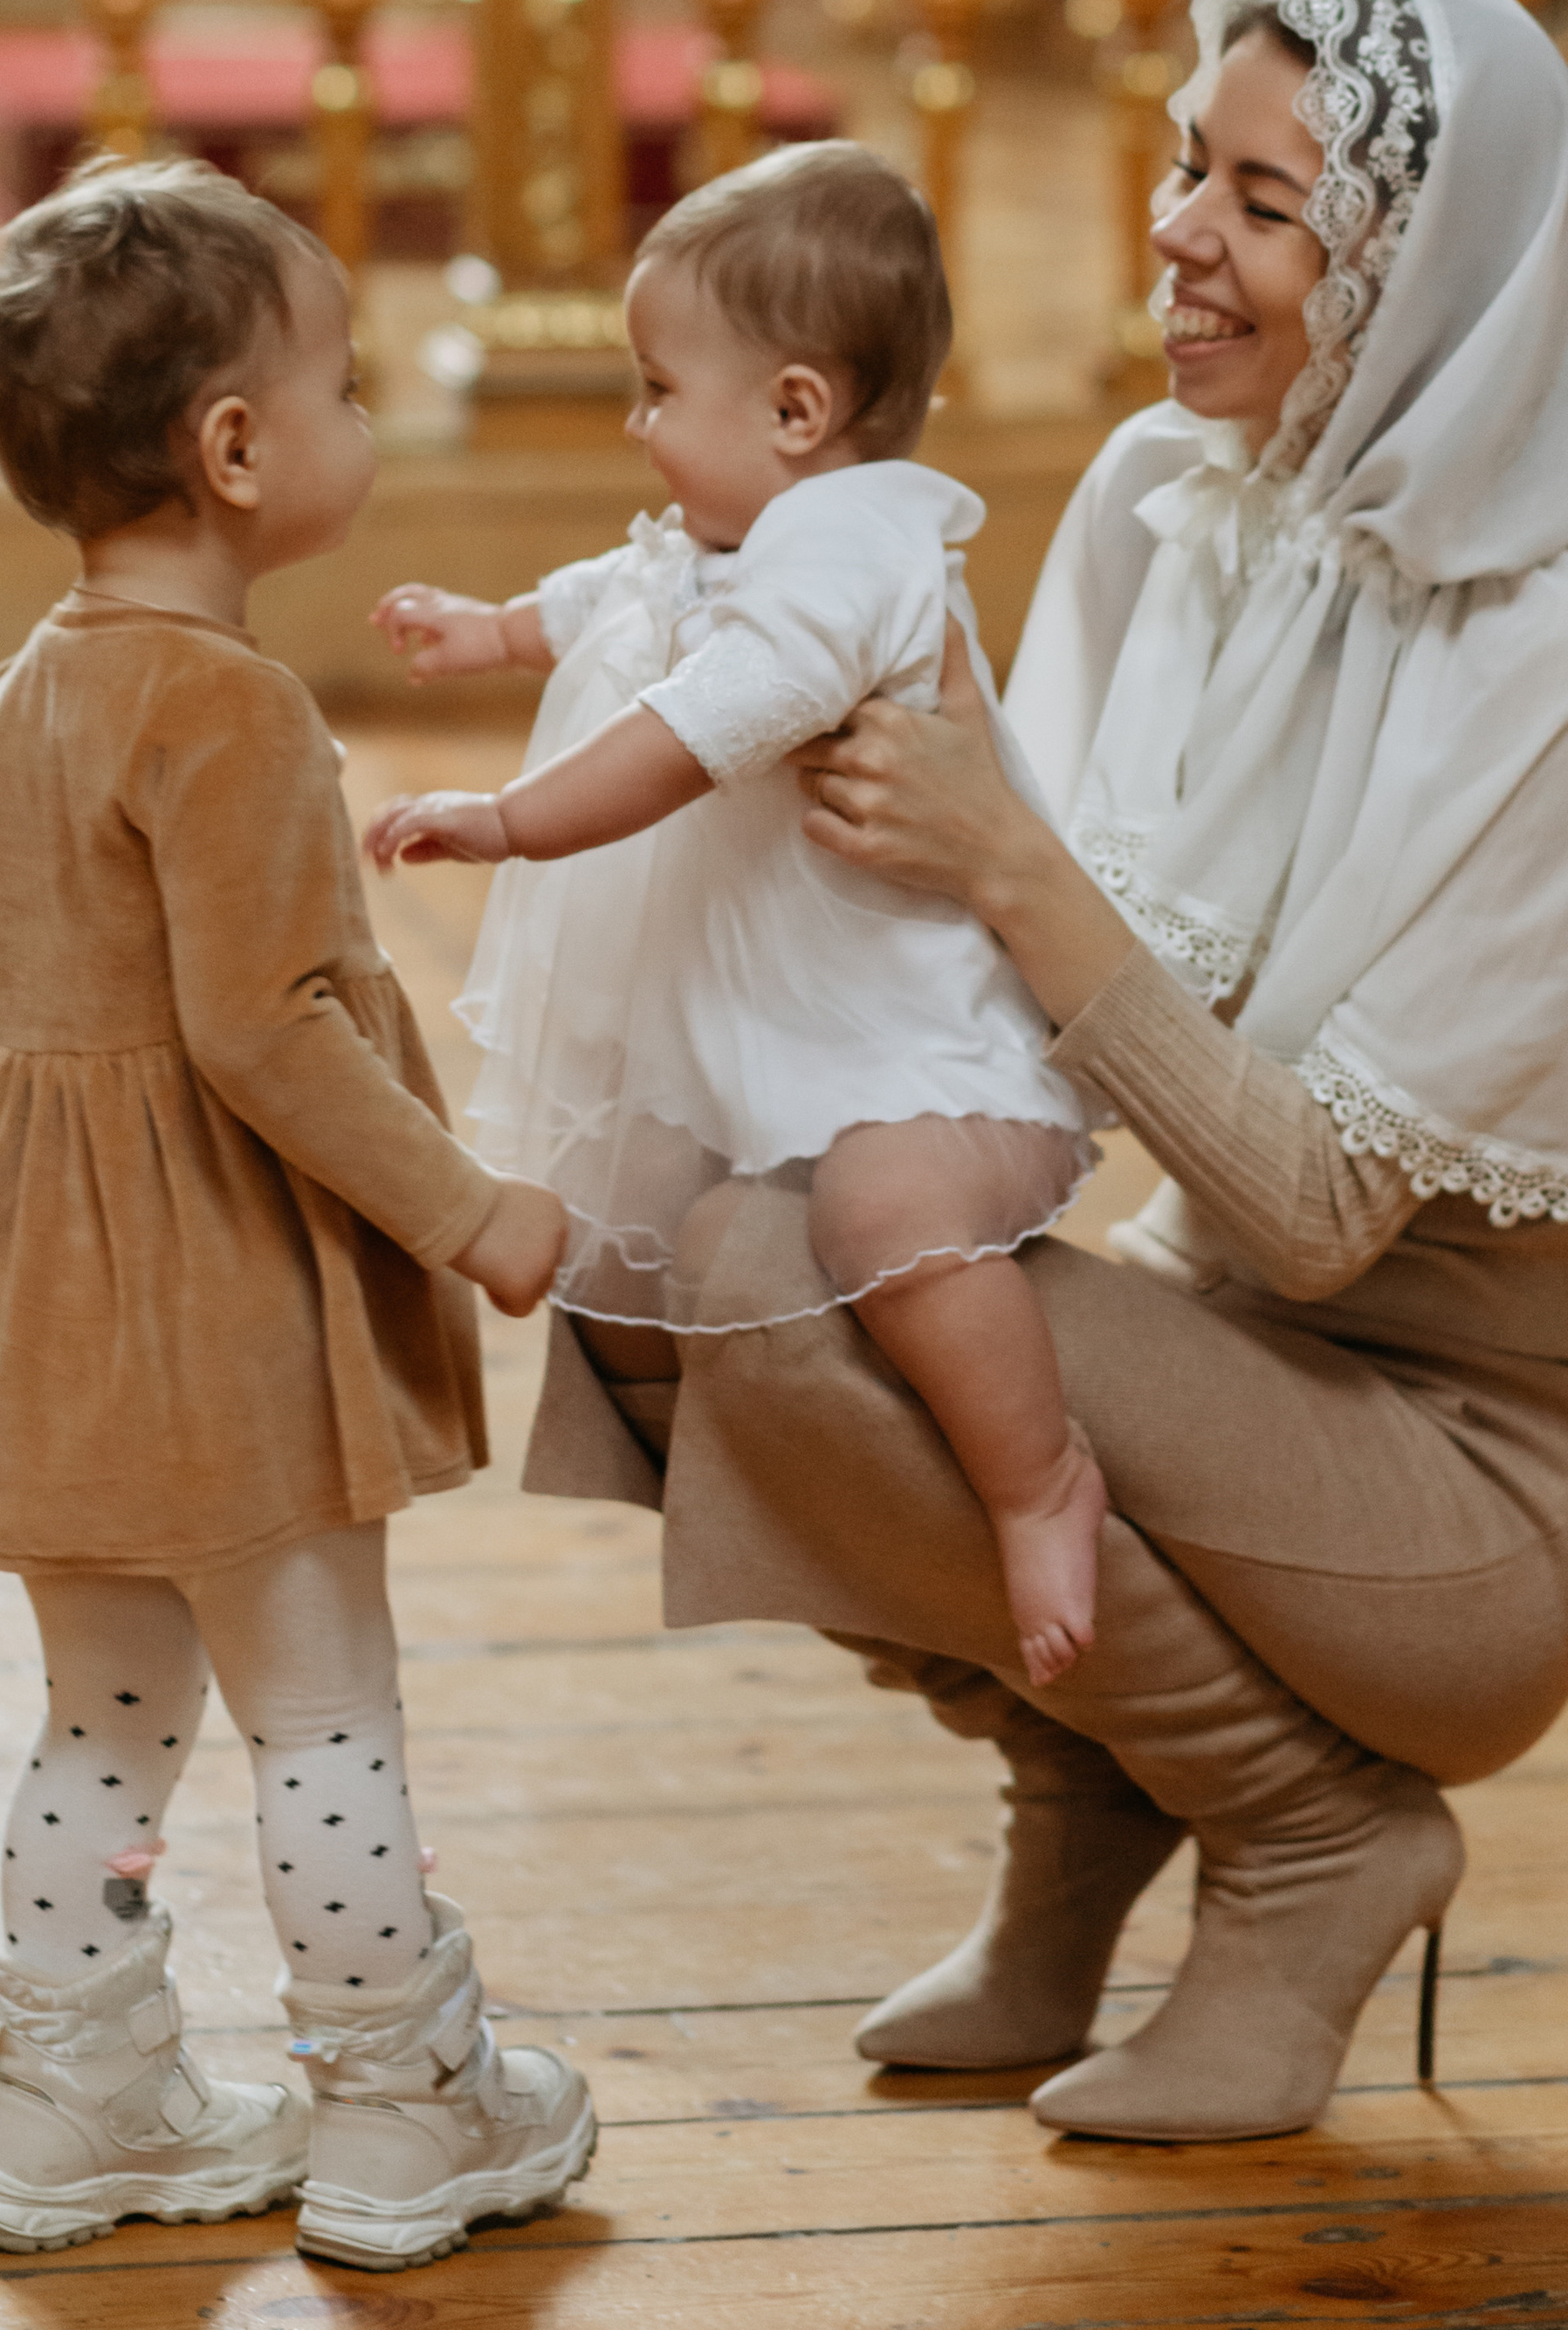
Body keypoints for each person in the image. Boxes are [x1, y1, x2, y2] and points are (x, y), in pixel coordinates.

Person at [520, 0, 1568, 2143]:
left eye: (1260, 201)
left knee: (793, 1286)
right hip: (1198, 1346)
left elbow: (1329, 1224)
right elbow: (972, 1035)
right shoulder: (1176, 491)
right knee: (649, 1266)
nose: (1172, 229)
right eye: (1184, 160)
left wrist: (1003, 869)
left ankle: (1310, 1837)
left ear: (1411, 269)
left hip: (1451, 1482)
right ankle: (1083, 1806)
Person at [0, 159, 595, 2266]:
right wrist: (468, 1209)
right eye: (347, 383)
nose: (360, 417)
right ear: (233, 451)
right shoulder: (230, 709)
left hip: (43, 1306)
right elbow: (271, 1036)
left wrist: (59, 1238)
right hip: (224, 1318)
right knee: (320, 1716)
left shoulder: (16, 700)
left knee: (106, 1712)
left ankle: (67, 2087)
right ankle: (398, 2102)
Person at [364, 145, 1103, 1682]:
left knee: (888, 1217)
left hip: (913, 1043)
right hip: (777, 1016)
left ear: (795, 412)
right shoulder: (750, 530)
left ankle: (1041, 1480)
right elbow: (628, 595)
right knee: (665, 1205)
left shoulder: (855, 548)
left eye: (653, 390)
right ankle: (780, 1483)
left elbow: (708, 720)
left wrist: (514, 820)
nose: (635, 424)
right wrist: (496, 628)